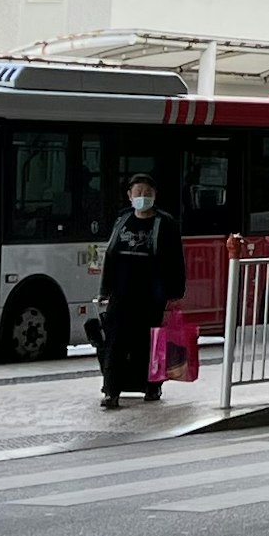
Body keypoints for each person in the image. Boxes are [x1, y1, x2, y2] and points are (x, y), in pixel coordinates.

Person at [96, 173, 182, 408]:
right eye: (138, 193)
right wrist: (104, 290)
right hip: (121, 295)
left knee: (148, 345)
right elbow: (110, 257)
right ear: (129, 196)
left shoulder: (166, 224)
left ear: (155, 196)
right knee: (115, 343)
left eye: (147, 193)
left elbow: (176, 262)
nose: (142, 197)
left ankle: (152, 386)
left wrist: (174, 295)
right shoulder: (122, 221)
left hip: (152, 298)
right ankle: (111, 391)